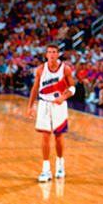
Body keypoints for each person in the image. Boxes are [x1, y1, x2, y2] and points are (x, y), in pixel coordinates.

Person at [27, 43, 75, 181]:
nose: (52, 54)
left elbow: (73, 88)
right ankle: (46, 170)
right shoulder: (40, 69)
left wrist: (63, 97)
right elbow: (35, 88)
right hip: (44, 104)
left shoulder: (65, 69)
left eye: (54, 52)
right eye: (49, 52)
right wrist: (30, 106)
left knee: (58, 136)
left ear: (58, 54)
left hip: (59, 105)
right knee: (45, 136)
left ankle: (60, 164)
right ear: (46, 55)